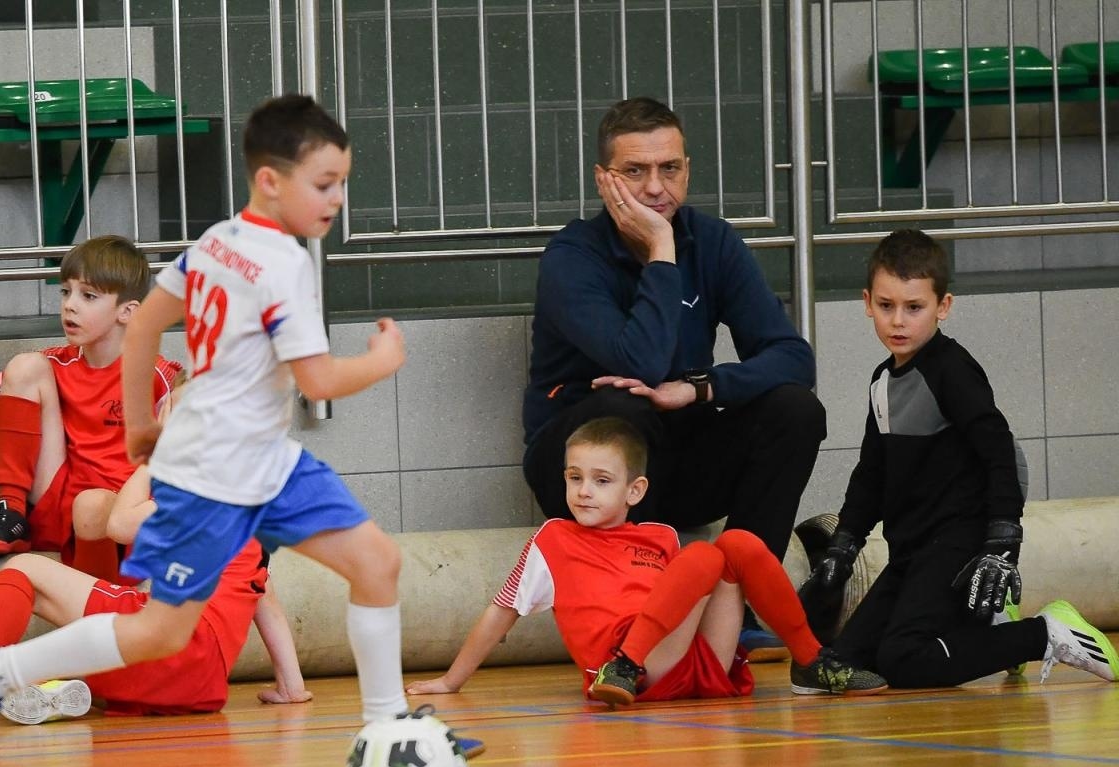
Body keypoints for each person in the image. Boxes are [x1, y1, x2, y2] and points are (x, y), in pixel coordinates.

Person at [0, 93, 482, 766]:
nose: (337, 197)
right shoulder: (286, 265)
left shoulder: (215, 243)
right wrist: (381, 361)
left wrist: (139, 424)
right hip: (218, 473)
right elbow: (317, 382)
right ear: (269, 181)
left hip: (259, 461)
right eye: (323, 184)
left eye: (342, 182)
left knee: (377, 563)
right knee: (159, 633)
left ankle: (390, 732)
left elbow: (143, 324)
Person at [522, 96, 826, 659]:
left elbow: (792, 357)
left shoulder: (713, 241)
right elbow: (638, 363)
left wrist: (701, 388)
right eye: (635, 172)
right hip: (577, 470)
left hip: (674, 452)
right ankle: (648, 617)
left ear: (688, 168)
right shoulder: (571, 256)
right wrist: (661, 251)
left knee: (794, 409)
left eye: (670, 169)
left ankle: (748, 602)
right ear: (603, 179)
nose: (656, 188)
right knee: (627, 408)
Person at [799, 229, 1116, 688]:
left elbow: (1000, 455)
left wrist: (1001, 547)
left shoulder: (952, 370)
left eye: (914, 307)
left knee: (905, 659)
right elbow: (872, 473)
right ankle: (985, 623)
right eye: (886, 306)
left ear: (942, 306)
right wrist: (843, 546)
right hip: (911, 549)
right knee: (839, 665)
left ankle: (1045, 633)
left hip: (959, 544)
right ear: (867, 302)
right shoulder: (881, 382)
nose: (898, 321)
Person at [409, 418, 887, 705]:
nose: (583, 491)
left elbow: (688, 597)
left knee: (735, 544)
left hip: (690, 660)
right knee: (702, 554)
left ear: (634, 491)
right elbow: (502, 610)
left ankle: (811, 663)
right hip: (629, 671)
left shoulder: (657, 536)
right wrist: (451, 681)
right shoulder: (553, 537)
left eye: (600, 480)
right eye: (575, 478)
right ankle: (624, 665)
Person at [0, 462, 310, 725]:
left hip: (171, 646)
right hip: (202, 690)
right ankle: (42, 685)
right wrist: (291, 689)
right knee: (103, 652)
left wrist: (150, 461)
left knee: (25, 569)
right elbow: (268, 605)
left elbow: (120, 524)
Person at [0, 235, 180, 581]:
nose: (70, 305)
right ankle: (10, 511)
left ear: (127, 312)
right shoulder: (56, 365)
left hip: (118, 518)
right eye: (65, 292)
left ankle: (98, 594)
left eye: (88, 296)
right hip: (59, 506)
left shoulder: (157, 375)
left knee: (100, 502)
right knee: (25, 366)